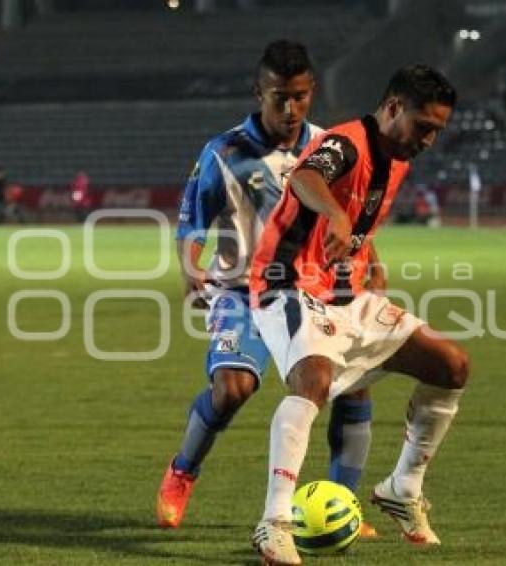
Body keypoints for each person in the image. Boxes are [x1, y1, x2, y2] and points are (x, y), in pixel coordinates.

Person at [158, 40, 382, 537]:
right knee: (232, 389)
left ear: (312, 92)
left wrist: (374, 263)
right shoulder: (225, 152)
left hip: (315, 289)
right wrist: (190, 270)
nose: (290, 108)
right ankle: (182, 471)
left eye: (300, 96)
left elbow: (354, 218)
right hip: (243, 290)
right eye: (279, 96)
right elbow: (191, 221)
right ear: (258, 91)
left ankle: (342, 502)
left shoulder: (330, 146)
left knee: (352, 385)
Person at [249, 64, 469, 565]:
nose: (429, 141)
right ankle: (275, 521)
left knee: (450, 365)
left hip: (343, 293)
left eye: (438, 130)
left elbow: (362, 224)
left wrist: (372, 260)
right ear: (392, 108)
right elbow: (306, 176)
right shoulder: (347, 141)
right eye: (423, 127)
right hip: (285, 285)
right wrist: (334, 213)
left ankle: (402, 488)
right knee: (313, 380)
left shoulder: (397, 158)